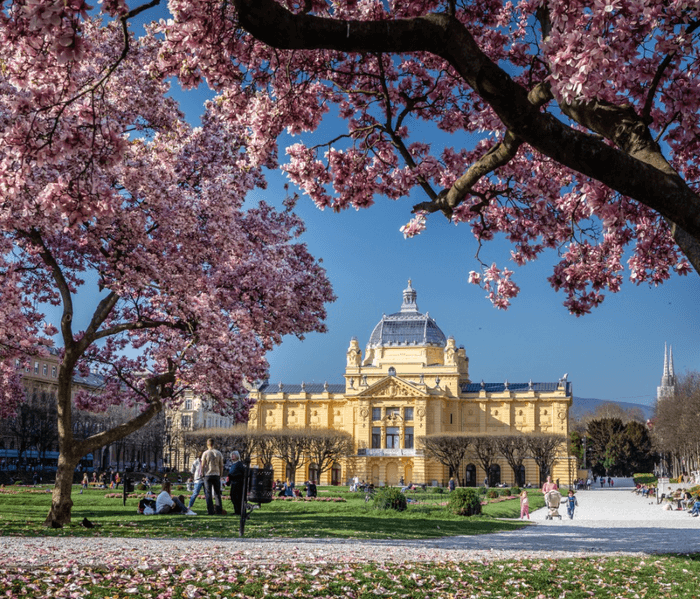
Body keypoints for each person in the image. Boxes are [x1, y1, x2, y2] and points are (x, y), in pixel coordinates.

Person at [201, 438, 225, 515]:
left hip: (208, 475)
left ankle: (210, 511)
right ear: (214, 444)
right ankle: (219, 510)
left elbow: (202, 465)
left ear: (207, 444)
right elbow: (221, 465)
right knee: (217, 494)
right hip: (216, 474)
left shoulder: (205, 453)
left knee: (208, 494)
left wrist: (202, 473)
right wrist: (220, 474)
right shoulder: (219, 453)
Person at [228, 450, 246, 515]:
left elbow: (242, 474)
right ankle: (237, 511)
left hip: (238, 483)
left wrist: (232, 476)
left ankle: (239, 511)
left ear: (237, 456)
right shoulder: (233, 464)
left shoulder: (239, 464)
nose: (232, 456)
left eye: (234, 455)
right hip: (233, 483)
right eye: (232, 455)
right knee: (233, 497)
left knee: (237, 497)